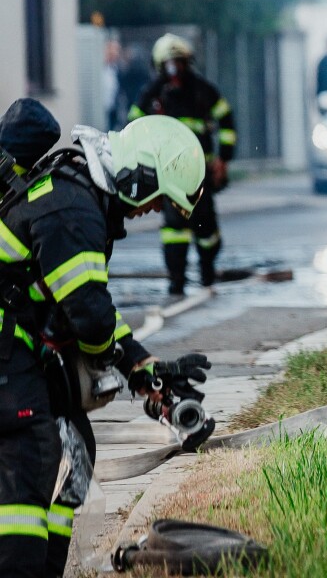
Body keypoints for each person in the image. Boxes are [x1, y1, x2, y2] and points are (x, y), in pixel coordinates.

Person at [0, 101, 213, 578]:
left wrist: (144, 367)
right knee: (32, 459)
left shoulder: (79, 194)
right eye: (156, 198)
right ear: (139, 176)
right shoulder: (73, 208)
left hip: (17, 347)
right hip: (7, 350)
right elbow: (89, 320)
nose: (151, 211)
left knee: (76, 448)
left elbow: (86, 307)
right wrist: (124, 364)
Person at [129, 33, 237, 295]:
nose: (174, 69)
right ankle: (176, 280)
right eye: (168, 64)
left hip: (201, 173)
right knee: (174, 229)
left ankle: (207, 272)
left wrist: (223, 158)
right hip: (169, 174)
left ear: (188, 62)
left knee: (205, 227)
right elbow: (133, 125)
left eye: (179, 62)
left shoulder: (203, 90)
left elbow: (226, 124)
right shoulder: (153, 93)